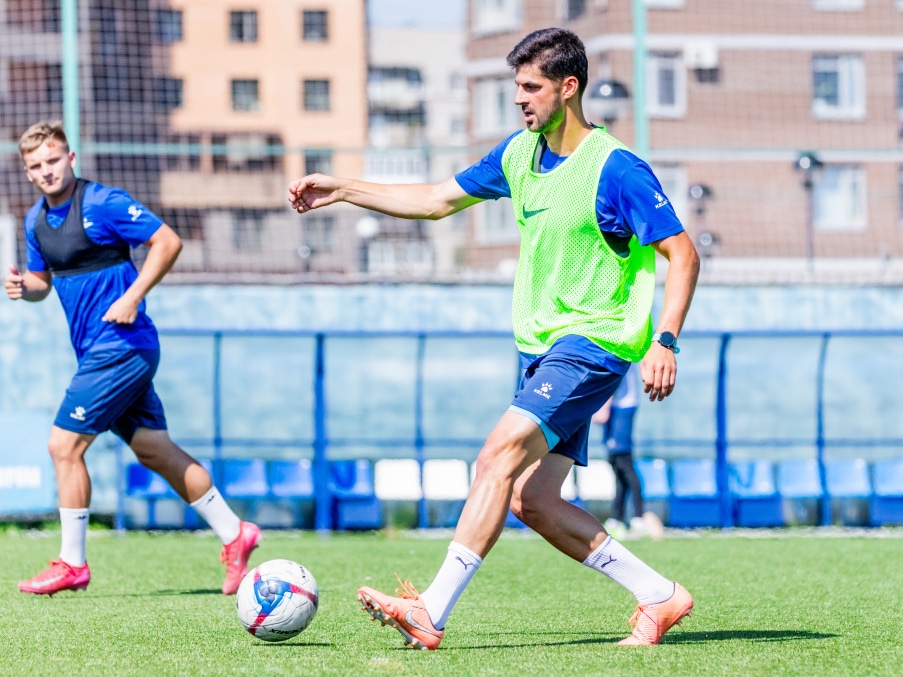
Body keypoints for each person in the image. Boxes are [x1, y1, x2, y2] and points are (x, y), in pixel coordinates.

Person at [289, 28, 700, 648]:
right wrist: (344, 189)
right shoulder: (519, 155)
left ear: (569, 88)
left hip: (592, 345)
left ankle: (431, 610)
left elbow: (683, 253)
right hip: (542, 353)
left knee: (494, 459)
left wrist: (664, 341)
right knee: (532, 500)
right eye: (515, 86)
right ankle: (660, 596)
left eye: (530, 86)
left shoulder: (616, 170)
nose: (518, 98)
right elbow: (433, 200)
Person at [6, 121, 261, 596]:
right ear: (27, 171)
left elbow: (168, 241)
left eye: (53, 160)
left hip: (122, 344)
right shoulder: (35, 220)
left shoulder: (102, 202)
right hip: (98, 352)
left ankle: (72, 563)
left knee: (64, 446)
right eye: (35, 165)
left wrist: (133, 295)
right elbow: (43, 281)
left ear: (71, 158)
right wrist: (26, 288)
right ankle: (235, 533)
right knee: (153, 449)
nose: (46, 171)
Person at [593, 364, 664, 541]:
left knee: (624, 463)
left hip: (622, 407)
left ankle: (639, 519)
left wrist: (604, 406)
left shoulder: (618, 343)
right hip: (618, 407)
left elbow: (614, 375)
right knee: (617, 466)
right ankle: (616, 519)